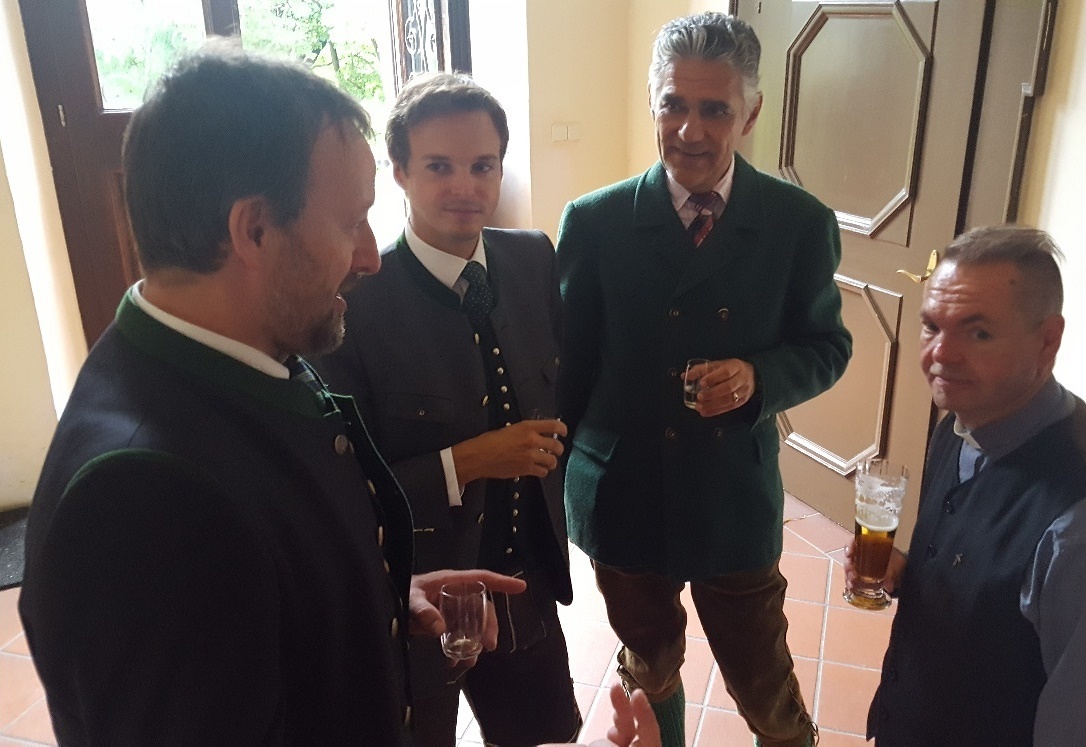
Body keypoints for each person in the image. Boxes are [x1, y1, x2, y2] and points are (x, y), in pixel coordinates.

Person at [16, 44, 529, 745]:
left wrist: (370, 596)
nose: (369, 256)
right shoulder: (142, 501)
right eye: (351, 222)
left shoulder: (250, 349)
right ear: (254, 229)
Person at [556, 11, 852, 747]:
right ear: (651, 103)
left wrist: (758, 376)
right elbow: (568, 369)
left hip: (732, 499)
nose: (689, 130)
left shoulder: (797, 223)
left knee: (765, 687)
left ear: (749, 112)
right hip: (624, 495)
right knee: (649, 666)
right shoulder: (594, 222)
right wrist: (550, 494)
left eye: (714, 109)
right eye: (673, 105)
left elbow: (827, 345)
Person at [315, 72, 581, 746]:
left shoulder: (532, 258)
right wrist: (466, 461)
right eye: (439, 166)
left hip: (527, 582)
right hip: (419, 595)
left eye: (482, 165)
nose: (465, 186)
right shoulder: (355, 299)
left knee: (539, 736)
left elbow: (564, 389)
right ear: (399, 171)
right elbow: (342, 490)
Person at [853, 226, 1086, 746]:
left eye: (978, 333)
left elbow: (1085, 733)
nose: (941, 354)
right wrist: (913, 575)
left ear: (1047, 342)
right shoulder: (960, 424)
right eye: (932, 326)